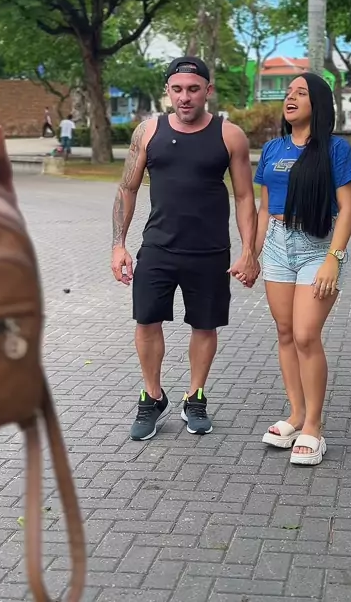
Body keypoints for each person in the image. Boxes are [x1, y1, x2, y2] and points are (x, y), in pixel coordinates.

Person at [111, 56, 257, 441]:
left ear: (208, 90)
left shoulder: (230, 135)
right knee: (146, 321)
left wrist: (249, 252)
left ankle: (195, 397)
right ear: (168, 91)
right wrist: (118, 244)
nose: (185, 97)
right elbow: (127, 188)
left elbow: (245, 196)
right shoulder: (148, 131)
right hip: (158, 247)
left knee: (205, 325)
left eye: (193, 89)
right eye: (177, 89)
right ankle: (153, 396)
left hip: (209, 251)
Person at [253, 73, 351, 466]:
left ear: (318, 103)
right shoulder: (272, 148)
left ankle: (314, 425)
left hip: (317, 245)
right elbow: (264, 208)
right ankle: (296, 415)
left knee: (305, 335)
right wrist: (251, 254)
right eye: (288, 93)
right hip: (276, 245)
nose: (291, 98)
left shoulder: (336, 149)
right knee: (285, 333)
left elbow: (347, 208)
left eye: (301, 93)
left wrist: (335, 257)